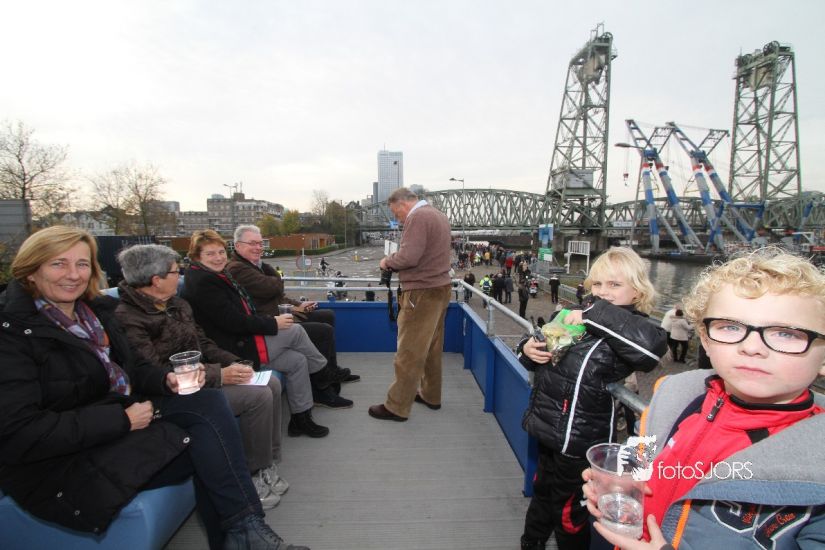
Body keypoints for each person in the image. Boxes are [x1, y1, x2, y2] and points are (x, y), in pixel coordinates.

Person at [0, 226, 306, 550]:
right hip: (61, 462)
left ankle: (245, 532)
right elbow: (18, 432)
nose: (73, 274)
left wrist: (164, 380)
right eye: (58, 264)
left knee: (208, 408)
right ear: (31, 270)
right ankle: (245, 535)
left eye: (82, 264)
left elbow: (134, 368)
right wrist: (122, 420)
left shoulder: (93, 314)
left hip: (118, 415)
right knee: (208, 438)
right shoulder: (13, 334)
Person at [584, 248, 825, 550]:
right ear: (706, 341)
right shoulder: (675, 399)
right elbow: (644, 449)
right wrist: (622, 478)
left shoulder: (817, 472)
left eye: (786, 333)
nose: (752, 347)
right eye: (730, 327)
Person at [114, 244, 288, 510]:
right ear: (157, 280)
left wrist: (234, 362)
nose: (180, 276)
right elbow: (155, 370)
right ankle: (252, 475)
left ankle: (268, 464)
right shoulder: (128, 318)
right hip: (169, 393)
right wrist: (220, 375)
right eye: (176, 271)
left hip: (202, 376)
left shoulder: (177, 304)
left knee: (271, 382)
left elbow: (203, 343)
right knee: (257, 397)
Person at [517, 246, 668, 550]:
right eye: (597, 284)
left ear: (638, 291)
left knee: (568, 515)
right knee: (541, 498)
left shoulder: (631, 326)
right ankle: (530, 544)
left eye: (615, 284)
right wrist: (527, 349)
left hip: (580, 442)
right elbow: (544, 349)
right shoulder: (573, 315)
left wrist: (591, 312)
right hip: (548, 431)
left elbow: (649, 351)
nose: (603, 291)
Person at [181, 229, 336, 440]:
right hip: (232, 347)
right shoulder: (204, 283)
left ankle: (301, 419)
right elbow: (232, 321)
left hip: (242, 337)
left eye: (220, 252)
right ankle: (323, 373)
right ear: (197, 257)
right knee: (296, 330)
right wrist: (273, 323)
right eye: (210, 254)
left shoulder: (218, 274)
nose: (218, 258)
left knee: (297, 360)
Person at [226, 225, 360, 390]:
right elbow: (275, 287)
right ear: (238, 246)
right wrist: (265, 266)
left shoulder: (252, 265)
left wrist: (298, 305)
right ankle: (321, 386)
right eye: (252, 243)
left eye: (260, 243)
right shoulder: (237, 268)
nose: (258, 247)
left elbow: (276, 295)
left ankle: (332, 370)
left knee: (327, 315)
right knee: (323, 331)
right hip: (269, 322)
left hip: (278, 315)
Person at [368, 187, 452, 421]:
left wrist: (387, 262)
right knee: (432, 348)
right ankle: (431, 395)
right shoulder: (438, 215)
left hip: (421, 293)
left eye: (397, 214)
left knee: (409, 351)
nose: (398, 219)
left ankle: (396, 407)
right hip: (441, 288)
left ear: (403, 204)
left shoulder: (417, 217)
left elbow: (409, 257)